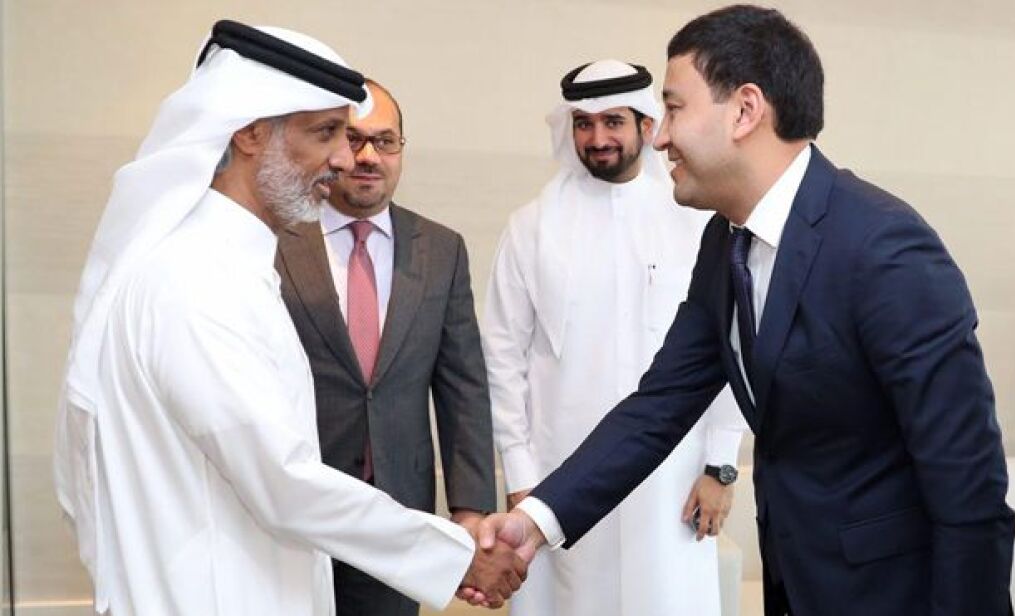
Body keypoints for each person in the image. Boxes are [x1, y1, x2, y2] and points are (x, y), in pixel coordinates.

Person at [475, 6, 1015, 615]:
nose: (660, 137)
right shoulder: (725, 240)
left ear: (745, 110)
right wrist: (536, 520)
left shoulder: (883, 248)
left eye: (674, 109)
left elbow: (968, 486)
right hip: (798, 585)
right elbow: (659, 406)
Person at [53, 20, 523, 615]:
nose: (342, 158)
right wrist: (456, 556)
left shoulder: (228, 264)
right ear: (250, 132)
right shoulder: (194, 279)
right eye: (325, 132)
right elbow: (282, 481)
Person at [482, 59, 746, 616]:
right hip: (563, 471)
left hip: (671, 477)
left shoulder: (698, 221)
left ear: (647, 125)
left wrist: (720, 465)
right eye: (584, 123)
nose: (597, 138)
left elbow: (729, 347)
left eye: (613, 122)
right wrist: (521, 475)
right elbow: (502, 358)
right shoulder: (531, 227)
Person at [276, 78, 497, 616]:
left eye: (385, 141)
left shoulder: (441, 250)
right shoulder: (276, 242)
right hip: (296, 510)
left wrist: (470, 508)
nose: (368, 156)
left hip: (400, 513)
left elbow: (463, 387)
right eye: (353, 139)